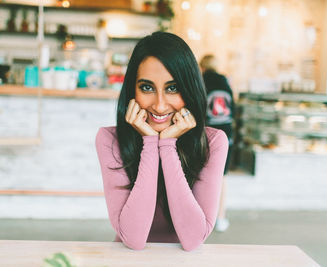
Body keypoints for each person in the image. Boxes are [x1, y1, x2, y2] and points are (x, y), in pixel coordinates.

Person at [95, 32, 228, 251]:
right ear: (132, 90)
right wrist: (150, 142)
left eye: (172, 88)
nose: (159, 105)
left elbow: (193, 239)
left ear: (189, 89)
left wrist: (167, 146)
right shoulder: (110, 140)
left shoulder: (214, 142)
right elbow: (134, 238)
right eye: (147, 87)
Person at [200, 54, 235, 232]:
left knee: (202, 173)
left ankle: (203, 217)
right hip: (226, 134)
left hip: (206, 133)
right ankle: (220, 218)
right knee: (222, 177)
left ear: (202, 67)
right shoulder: (226, 83)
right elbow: (233, 109)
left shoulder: (201, 81)